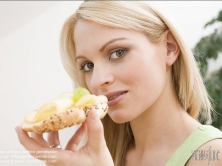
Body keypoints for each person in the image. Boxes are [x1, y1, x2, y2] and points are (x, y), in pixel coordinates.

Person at [15, 1, 222, 166]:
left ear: (168, 48)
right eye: (87, 65)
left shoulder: (213, 156)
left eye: (118, 53)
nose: (97, 80)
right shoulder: (102, 156)